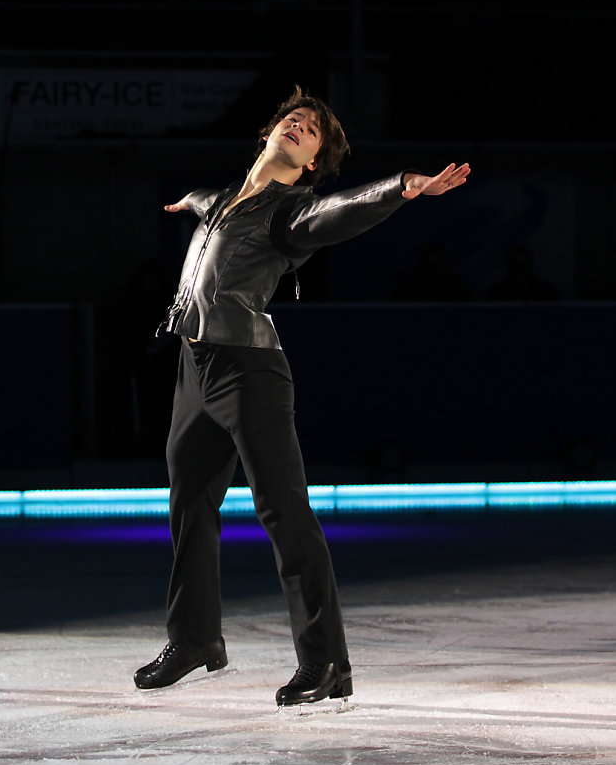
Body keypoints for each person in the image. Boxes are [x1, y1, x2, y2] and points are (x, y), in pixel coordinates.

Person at [133, 86, 471, 706]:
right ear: (268, 134)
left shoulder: (292, 213)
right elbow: (211, 199)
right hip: (192, 366)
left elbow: (342, 211)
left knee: (283, 512)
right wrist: (190, 201)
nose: (300, 125)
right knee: (188, 506)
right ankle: (195, 639)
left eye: (312, 130)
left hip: (249, 373)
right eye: (294, 118)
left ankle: (327, 662)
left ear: (312, 162)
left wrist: (400, 186)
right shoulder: (223, 200)